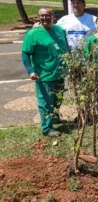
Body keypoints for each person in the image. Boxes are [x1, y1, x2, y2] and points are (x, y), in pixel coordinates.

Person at [21, 8, 68, 137]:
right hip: (44, 75)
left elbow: (65, 47)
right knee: (45, 102)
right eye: (42, 16)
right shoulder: (33, 34)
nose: (44, 18)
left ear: (53, 16)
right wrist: (30, 71)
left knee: (57, 99)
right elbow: (25, 54)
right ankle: (46, 128)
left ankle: (54, 118)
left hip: (60, 73)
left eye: (47, 15)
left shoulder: (59, 30)